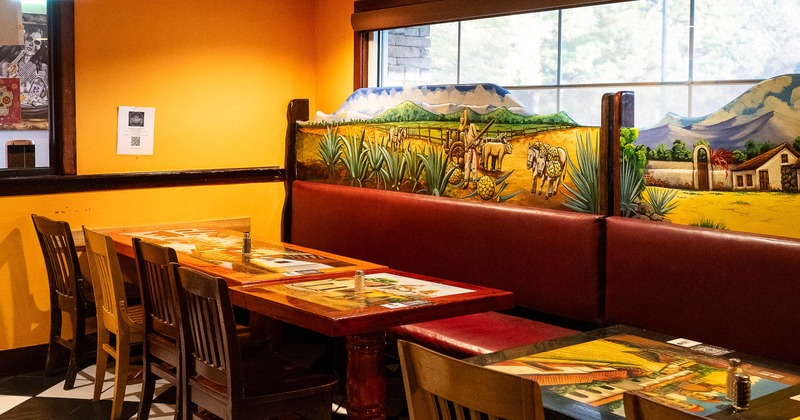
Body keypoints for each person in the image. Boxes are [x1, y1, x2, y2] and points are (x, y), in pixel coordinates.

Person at [0, 28, 48, 104]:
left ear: (40, 47)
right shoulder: (6, 66)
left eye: (37, 42)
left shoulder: (43, 67)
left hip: (36, 109)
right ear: (23, 42)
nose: (32, 44)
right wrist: (9, 81)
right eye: (29, 39)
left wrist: (46, 84)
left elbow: (48, 97)